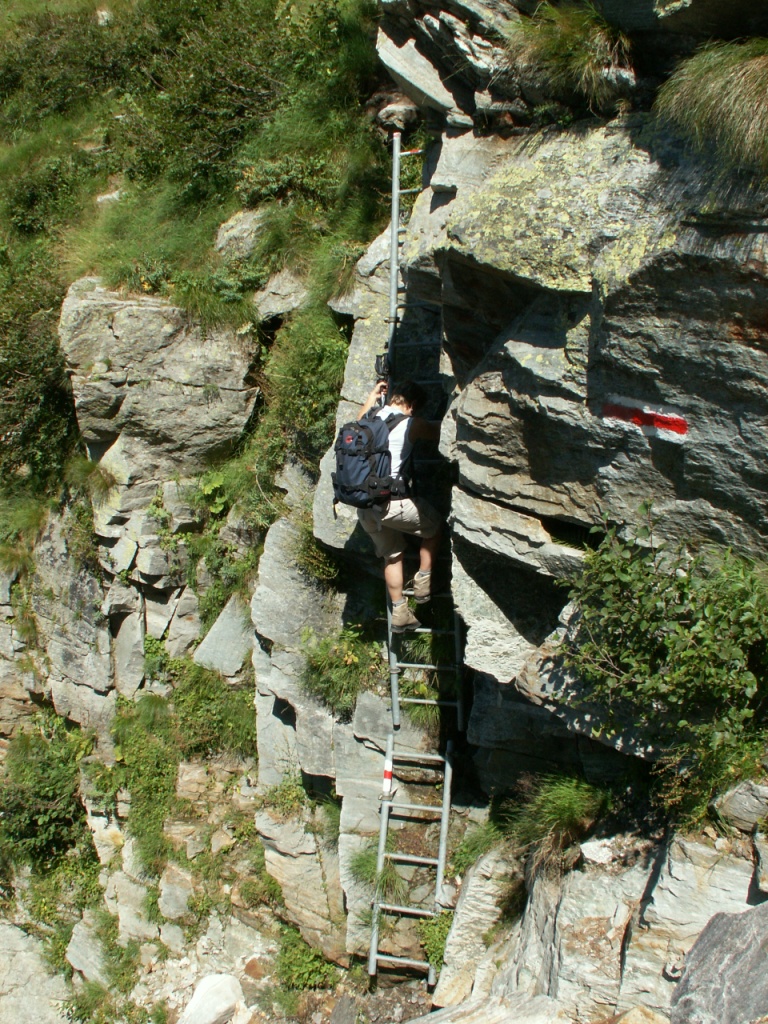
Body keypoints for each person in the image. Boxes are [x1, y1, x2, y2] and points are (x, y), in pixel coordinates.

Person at [357, 379, 442, 632]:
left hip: (364, 505)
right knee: (435, 527)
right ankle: (423, 582)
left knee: (392, 556)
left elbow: (358, 416)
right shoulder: (410, 424)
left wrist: (372, 396)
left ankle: (400, 613)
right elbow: (441, 432)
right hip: (392, 504)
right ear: (413, 405)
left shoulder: (368, 419)